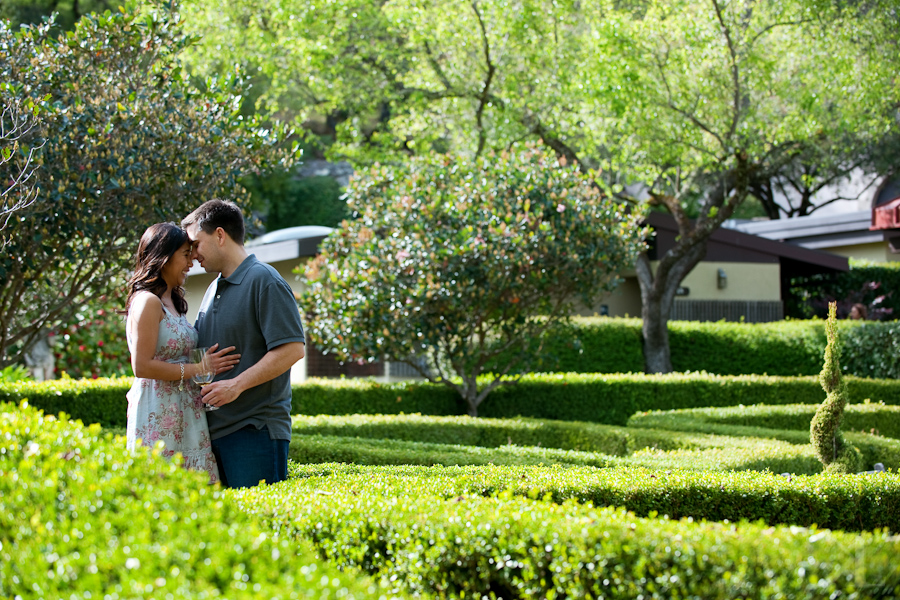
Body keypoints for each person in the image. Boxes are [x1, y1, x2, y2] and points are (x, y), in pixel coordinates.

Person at [182, 200, 305, 489]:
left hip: (254, 430)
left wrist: (235, 385)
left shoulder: (265, 280)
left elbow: (292, 349)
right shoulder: (213, 287)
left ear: (220, 235)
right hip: (214, 432)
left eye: (196, 244)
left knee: (258, 527)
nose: (193, 254)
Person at [125, 223, 240, 484]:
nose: (191, 263)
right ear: (163, 257)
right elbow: (141, 366)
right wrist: (199, 368)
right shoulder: (148, 301)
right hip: (158, 409)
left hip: (185, 411)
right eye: (185, 255)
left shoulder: (173, 302)